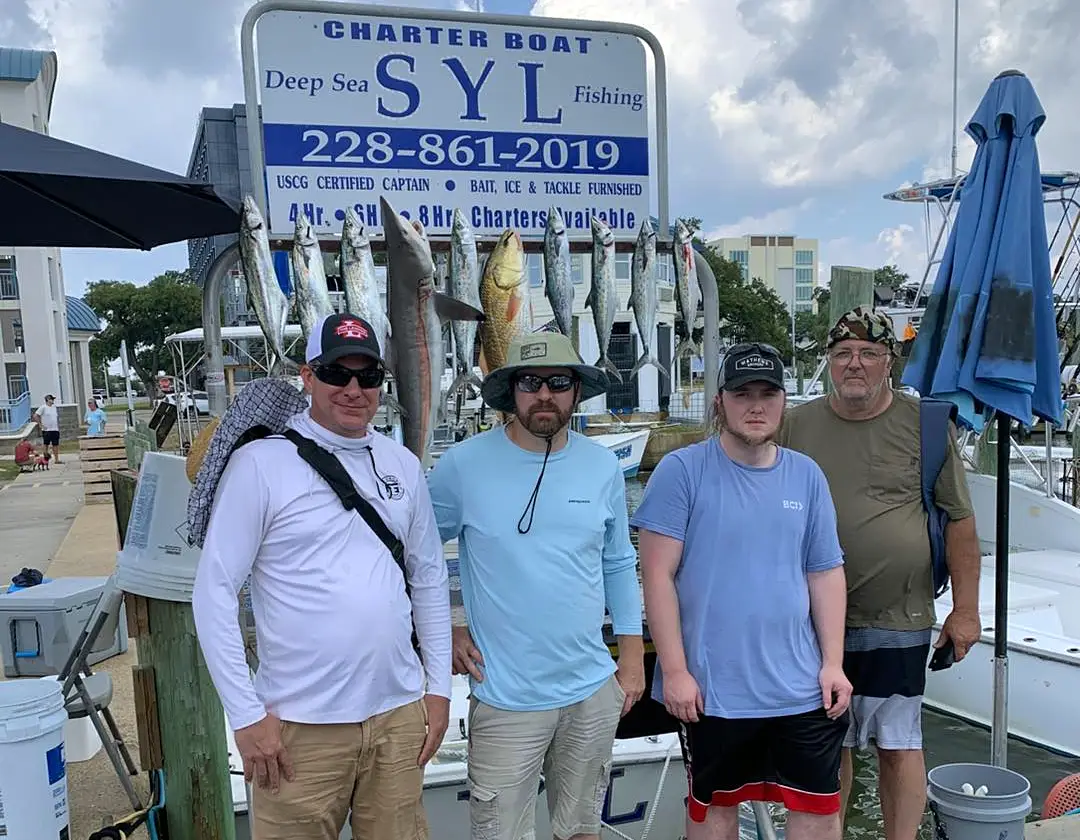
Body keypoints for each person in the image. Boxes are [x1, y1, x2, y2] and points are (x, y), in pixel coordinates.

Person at [191, 312, 452, 840]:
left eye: (369, 376)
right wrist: (245, 717)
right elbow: (213, 592)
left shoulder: (400, 463)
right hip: (297, 728)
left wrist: (440, 690)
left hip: (398, 715)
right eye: (337, 373)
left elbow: (427, 578)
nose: (354, 390)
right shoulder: (261, 464)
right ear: (308, 377)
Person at [426, 331, 645, 840]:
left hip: (592, 689)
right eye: (530, 381)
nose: (544, 394)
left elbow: (619, 563)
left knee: (582, 830)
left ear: (576, 391)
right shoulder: (461, 466)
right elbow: (416, 553)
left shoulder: (602, 466)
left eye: (558, 382)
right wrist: (450, 627)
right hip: (505, 697)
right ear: (511, 390)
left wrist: (631, 659)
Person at [631, 342, 851, 840]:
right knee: (714, 813)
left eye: (767, 394)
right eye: (742, 393)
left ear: (783, 402)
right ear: (719, 403)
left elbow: (825, 572)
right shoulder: (681, 471)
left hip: (800, 686)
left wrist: (832, 663)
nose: (755, 405)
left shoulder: (807, 475)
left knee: (818, 812)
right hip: (713, 692)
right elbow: (657, 577)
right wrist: (677, 671)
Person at [778, 307, 981, 840]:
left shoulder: (926, 426)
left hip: (900, 616)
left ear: (889, 362)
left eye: (869, 354)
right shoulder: (793, 425)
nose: (855, 364)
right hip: (813, 622)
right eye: (843, 353)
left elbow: (959, 522)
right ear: (828, 361)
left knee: (899, 744)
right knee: (828, 750)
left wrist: (966, 609)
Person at [32, 394, 61, 463]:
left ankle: (56, 459)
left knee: (55, 444)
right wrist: (40, 424)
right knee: (46, 444)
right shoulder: (43, 407)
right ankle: (45, 459)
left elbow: (55, 417)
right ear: (48, 399)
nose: (53, 400)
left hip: (55, 429)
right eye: (52, 399)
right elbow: (35, 415)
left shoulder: (54, 407)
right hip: (47, 430)